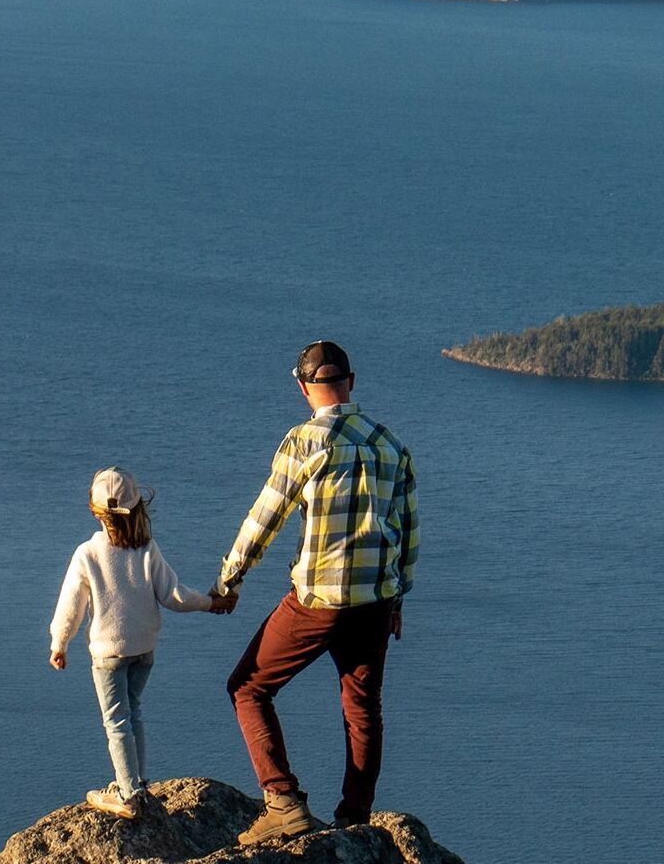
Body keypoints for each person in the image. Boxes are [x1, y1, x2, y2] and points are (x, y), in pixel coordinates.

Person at [211, 339, 419, 844]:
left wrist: (229, 579)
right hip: (374, 600)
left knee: (248, 687)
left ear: (303, 387)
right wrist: (398, 597)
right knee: (363, 706)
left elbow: (266, 517)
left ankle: (282, 802)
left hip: (317, 601)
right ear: (352, 381)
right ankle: (355, 818)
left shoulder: (306, 441)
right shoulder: (391, 445)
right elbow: (407, 530)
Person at [49, 466, 219, 819]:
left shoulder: (88, 554)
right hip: (144, 650)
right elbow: (174, 596)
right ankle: (138, 781)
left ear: (95, 511)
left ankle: (127, 795)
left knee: (116, 722)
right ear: (139, 506)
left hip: (109, 653)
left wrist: (59, 643)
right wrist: (210, 602)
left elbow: (70, 606)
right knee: (134, 710)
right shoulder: (147, 549)